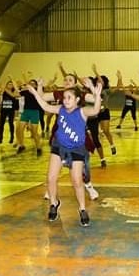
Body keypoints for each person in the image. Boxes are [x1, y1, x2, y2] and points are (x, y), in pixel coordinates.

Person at [27, 77, 102, 227]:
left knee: (76, 180)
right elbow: (45, 106)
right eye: (64, 98)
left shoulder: (82, 112)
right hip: (59, 146)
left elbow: (96, 109)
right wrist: (36, 93)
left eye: (69, 98)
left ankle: (82, 209)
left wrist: (96, 93)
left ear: (77, 100)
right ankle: (54, 204)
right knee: (51, 178)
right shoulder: (60, 109)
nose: (66, 100)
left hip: (76, 149)